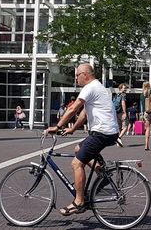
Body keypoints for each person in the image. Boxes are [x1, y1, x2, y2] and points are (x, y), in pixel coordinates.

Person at [44, 63, 119, 217]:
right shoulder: (98, 87)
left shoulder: (90, 87)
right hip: (106, 132)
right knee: (78, 149)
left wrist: (57, 126)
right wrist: (73, 128)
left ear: (85, 74)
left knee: (77, 163)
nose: (76, 78)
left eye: (77, 75)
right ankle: (102, 173)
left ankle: (79, 202)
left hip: (102, 133)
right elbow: (84, 112)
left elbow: (73, 109)